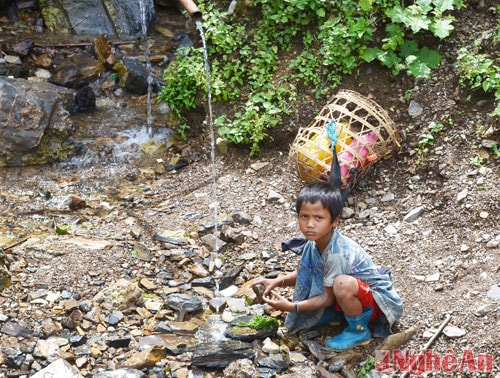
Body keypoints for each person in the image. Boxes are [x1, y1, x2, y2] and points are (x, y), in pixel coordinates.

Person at [251, 182, 403, 351]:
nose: (310, 224)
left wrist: (293, 307)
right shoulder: (313, 243)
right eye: (304, 216)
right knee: (334, 283)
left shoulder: (337, 253)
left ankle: (358, 330)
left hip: (376, 303)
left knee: (341, 284)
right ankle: (339, 313)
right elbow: (303, 273)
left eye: (319, 218)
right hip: (351, 296)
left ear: (335, 221)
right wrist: (277, 281)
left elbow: (327, 298)